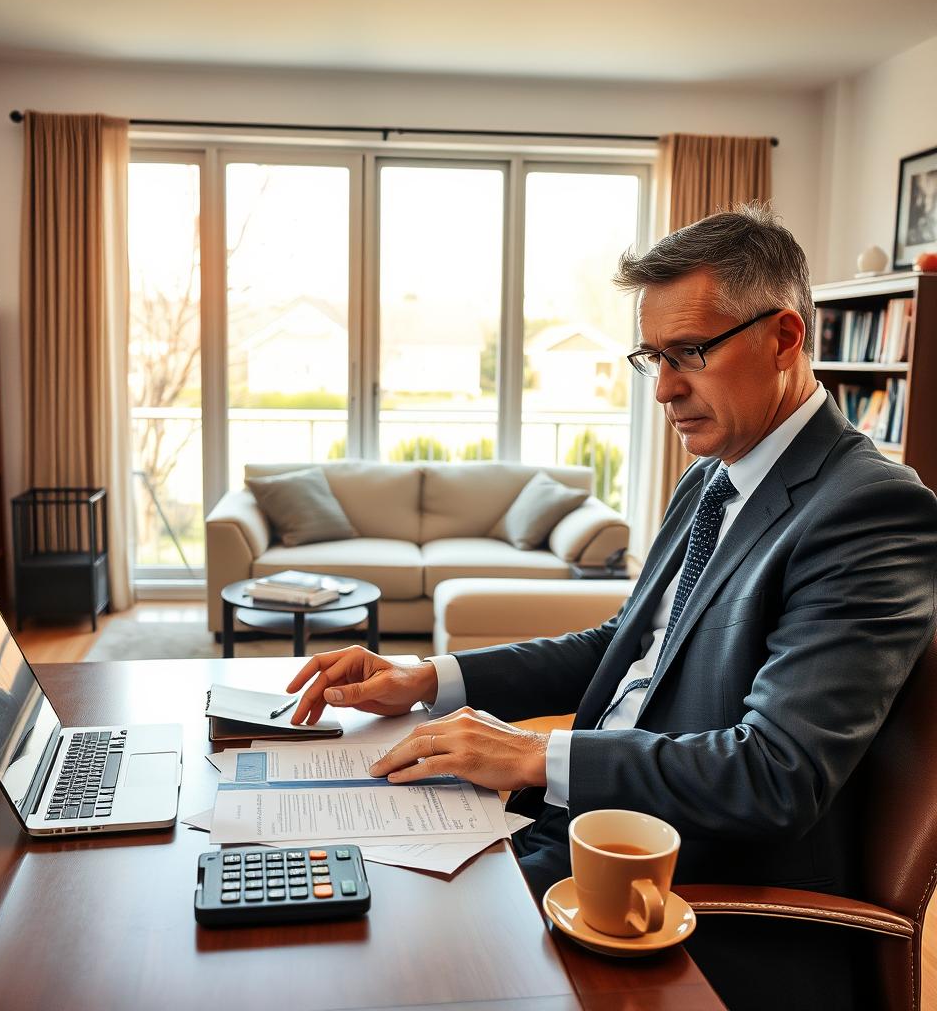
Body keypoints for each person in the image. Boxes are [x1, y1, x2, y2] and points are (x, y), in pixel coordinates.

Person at [286, 204, 937, 1009]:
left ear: (784, 337)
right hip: (580, 831)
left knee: (368, 951)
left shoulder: (867, 510)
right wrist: (428, 678)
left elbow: (776, 774)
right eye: (651, 357)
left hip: (670, 893)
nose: (664, 389)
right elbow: (625, 646)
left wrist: (533, 757)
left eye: (689, 353)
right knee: (328, 874)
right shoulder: (714, 475)